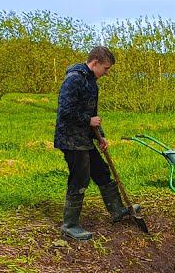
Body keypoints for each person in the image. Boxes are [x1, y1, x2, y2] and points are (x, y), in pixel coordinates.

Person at [54, 46, 138, 240]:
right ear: (95, 63)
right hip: (71, 140)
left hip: (84, 138)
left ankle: (117, 210)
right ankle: (70, 225)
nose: (107, 73)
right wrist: (88, 121)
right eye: (106, 68)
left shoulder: (91, 82)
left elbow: (93, 114)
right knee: (80, 178)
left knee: (101, 171)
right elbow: (65, 112)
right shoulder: (74, 80)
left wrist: (100, 135)